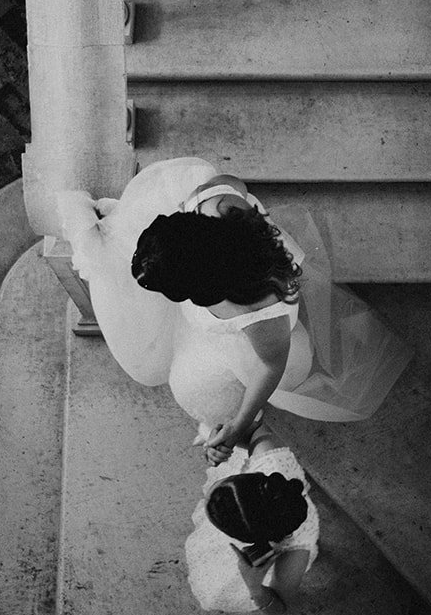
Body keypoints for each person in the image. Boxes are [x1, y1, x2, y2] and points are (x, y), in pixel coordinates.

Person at [56, 157, 412, 461]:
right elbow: (231, 184)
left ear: (202, 287)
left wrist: (239, 425)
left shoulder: (259, 313)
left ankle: (254, 428)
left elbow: (271, 365)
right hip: (238, 276)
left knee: (194, 388)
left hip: (253, 347)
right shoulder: (215, 203)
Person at [185, 426, 318, 615]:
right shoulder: (269, 453)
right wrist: (222, 445)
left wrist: (254, 585)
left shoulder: (296, 553)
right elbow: (255, 428)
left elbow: (279, 610)